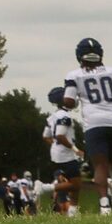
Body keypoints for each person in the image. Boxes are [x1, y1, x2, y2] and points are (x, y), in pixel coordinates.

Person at [63, 37, 112, 216]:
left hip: (94, 123)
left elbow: (69, 101)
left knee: (100, 166)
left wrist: (73, 100)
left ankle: (104, 205)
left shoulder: (74, 75)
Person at [41, 86, 84, 214]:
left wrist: (55, 146)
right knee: (76, 184)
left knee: (75, 182)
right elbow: (60, 136)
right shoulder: (64, 116)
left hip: (58, 153)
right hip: (66, 155)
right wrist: (75, 149)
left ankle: (73, 211)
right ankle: (45, 188)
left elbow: (45, 136)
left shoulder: (52, 116)